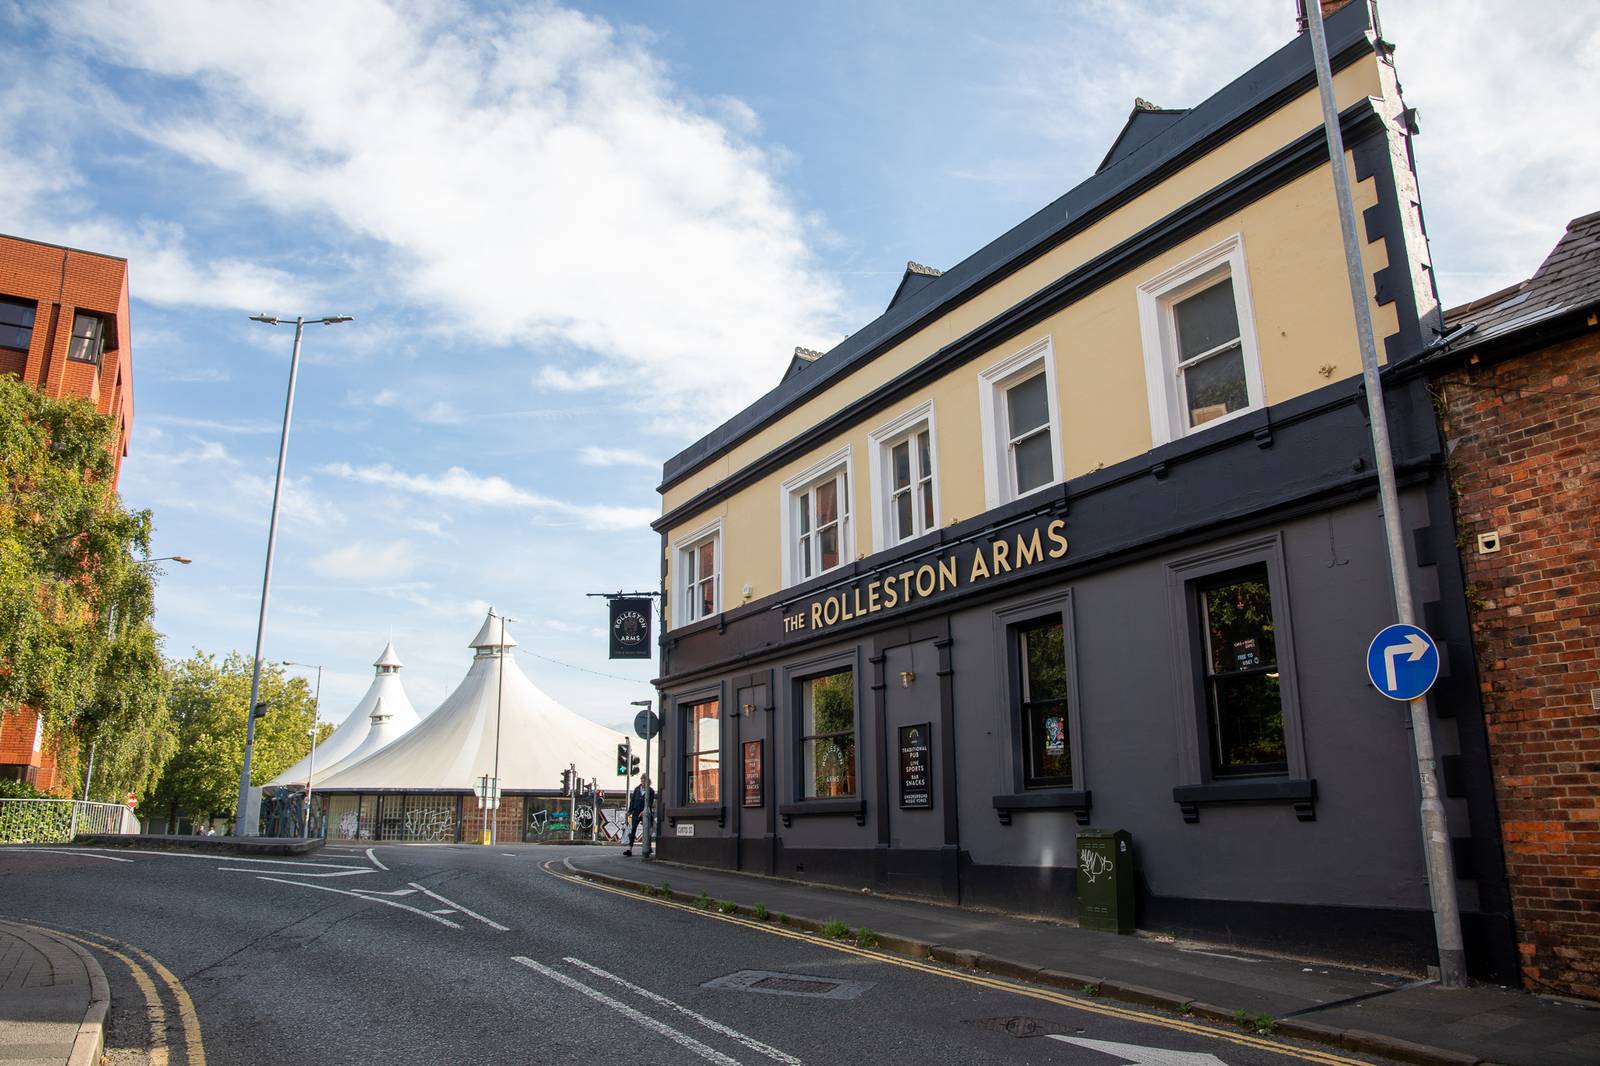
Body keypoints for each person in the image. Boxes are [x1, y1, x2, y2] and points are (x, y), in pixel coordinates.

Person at [622, 774, 655, 856]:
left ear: (648, 782)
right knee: (633, 830)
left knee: (647, 830)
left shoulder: (651, 791)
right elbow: (633, 801)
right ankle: (630, 849)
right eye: (642, 781)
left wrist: (644, 811)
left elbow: (650, 803)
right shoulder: (637, 789)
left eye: (644, 781)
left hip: (645, 813)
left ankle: (649, 848)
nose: (643, 783)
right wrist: (630, 811)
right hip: (636, 812)